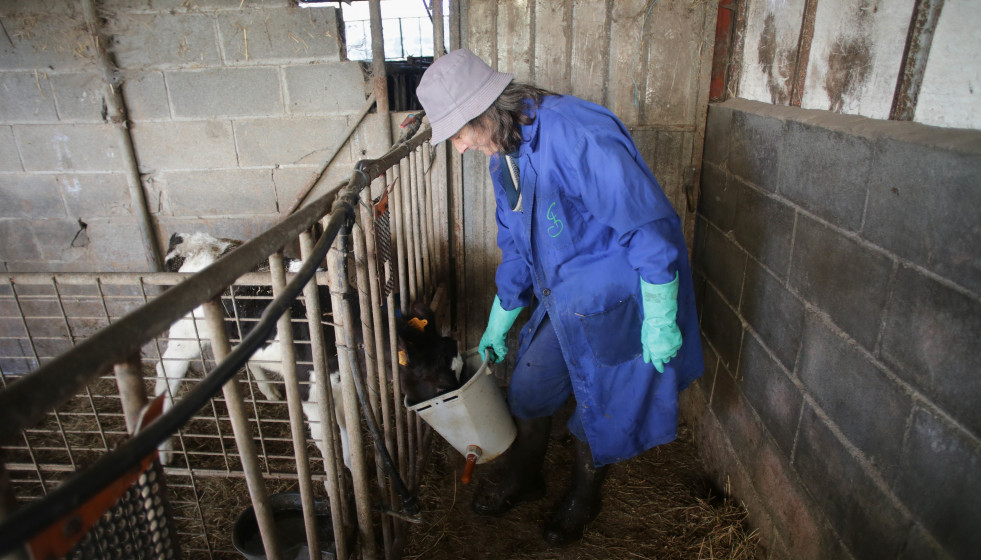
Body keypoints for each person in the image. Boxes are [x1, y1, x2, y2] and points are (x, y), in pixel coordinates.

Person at [416, 48, 704, 547]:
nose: (459, 148)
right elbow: (516, 246)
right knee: (528, 389)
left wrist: (660, 315)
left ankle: (584, 496)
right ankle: (525, 478)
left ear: (483, 112)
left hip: (618, 299)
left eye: (458, 134)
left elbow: (647, 226)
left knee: (599, 407)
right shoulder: (503, 157)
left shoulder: (576, 132)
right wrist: (501, 317)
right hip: (564, 299)